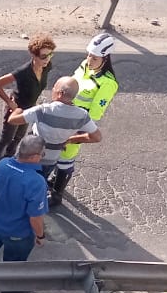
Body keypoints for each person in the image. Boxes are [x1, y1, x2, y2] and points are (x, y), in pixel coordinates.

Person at [48, 31, 119, 205]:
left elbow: (93, 115)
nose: (89, 60)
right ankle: (54, 178)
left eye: (94, 58)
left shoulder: (108, 83)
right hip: (62, 117)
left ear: (105, 58)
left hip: (76, 125)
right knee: (55, 154)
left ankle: (57, 194)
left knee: (66, 158)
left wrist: (73, 136)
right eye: (88, 55)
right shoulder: (84, 66)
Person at [0, 134, 49, 293]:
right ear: (36, 156)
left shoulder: (2, 164)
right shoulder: (36, 182)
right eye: (42, 154)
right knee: (13, 265)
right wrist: (40, 235)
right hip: (17, 234)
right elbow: (35, 216)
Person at [7, 77, 101, 185]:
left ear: (60, 93)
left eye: (54, 87)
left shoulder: (43, 110)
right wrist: (70, 140)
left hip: (30, 155)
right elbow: (97, 137)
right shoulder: (82, 115)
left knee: (20, 179)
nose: (52, 89)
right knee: (39, 181)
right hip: (51, 159)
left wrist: (17, 110)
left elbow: (12, 121)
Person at [0, 33, 56, 173]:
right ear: (33, 55)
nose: (47, 59)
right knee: (6, 138)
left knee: (18, 137)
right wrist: (9, 102)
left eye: (50, 55)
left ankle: (8, 160)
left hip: (29, 109)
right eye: (43, 56)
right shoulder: (23, 71)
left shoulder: (46, 67)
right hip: (16, 109)